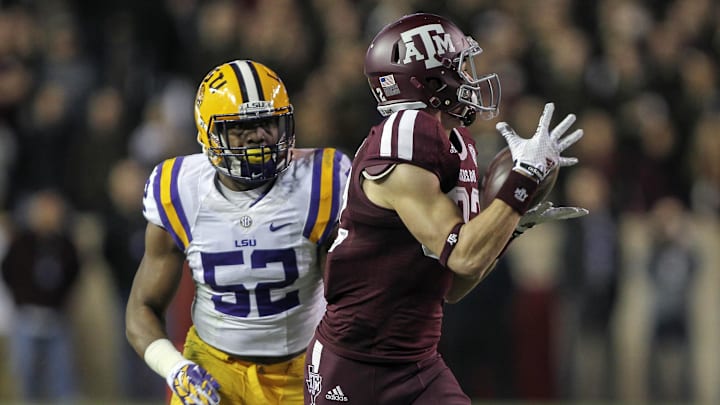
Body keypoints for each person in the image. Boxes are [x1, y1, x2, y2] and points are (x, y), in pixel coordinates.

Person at [303, 13, 586, 405]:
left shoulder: (458, 143)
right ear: (430, 81)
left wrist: (508, 223)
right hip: (354, 365)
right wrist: (521, 185)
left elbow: (454, 284)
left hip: (417, 362)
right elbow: (466, 256)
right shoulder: (405, 136)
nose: (470, 78)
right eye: (459, 68)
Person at [125, 59, 351, 405]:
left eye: (267, 123)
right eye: (242, 127)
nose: (259, 136)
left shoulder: (320, 182)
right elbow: (141, 308)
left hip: (303, 366)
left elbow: (349, 303)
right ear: (208, 134)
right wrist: (175, 368)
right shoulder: (178, 189)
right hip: (213, 367)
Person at [1, 189, 80, 402]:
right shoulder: (21, 243)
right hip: (27, 316)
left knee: (62, 376)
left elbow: (74, 273)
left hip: (56, 317)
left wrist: (62, 302)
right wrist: (22, 299)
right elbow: (8, 272)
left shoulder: (64, 244)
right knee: (26, 375)